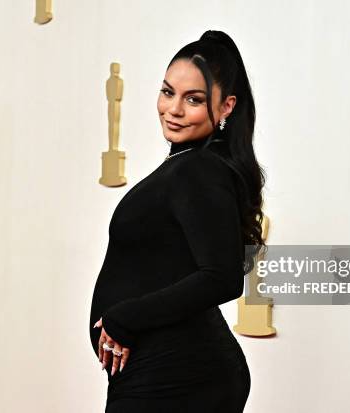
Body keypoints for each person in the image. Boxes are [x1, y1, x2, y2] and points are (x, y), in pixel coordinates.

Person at [89, 29, 266, 412]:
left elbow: (222, 277)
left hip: (179, 376)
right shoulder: (187, 165)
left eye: (194, 100)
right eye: (167, 92)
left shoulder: (199, 169)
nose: (173, 109)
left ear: (226, 107)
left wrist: (126, 316)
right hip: (164, 372)